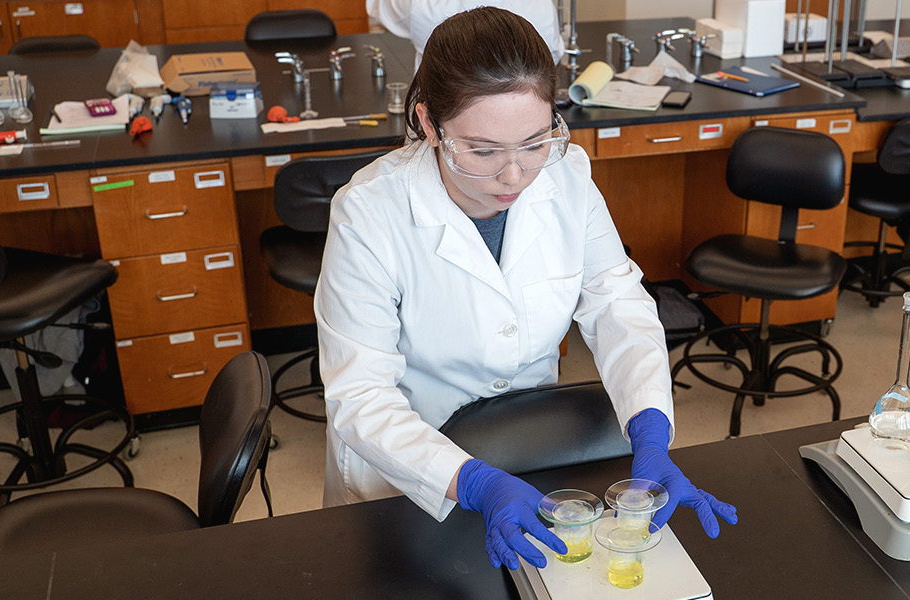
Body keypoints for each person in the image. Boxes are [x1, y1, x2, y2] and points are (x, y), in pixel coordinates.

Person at [315, 7, 736, 571]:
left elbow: (618, 304)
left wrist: (652, 432)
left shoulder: (568, 176)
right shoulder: (368, 213)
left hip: (530, 454)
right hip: (412, 474)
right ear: (428, 122)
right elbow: (360, 395)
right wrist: (475, 483)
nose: (514, 175)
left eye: (535, 143)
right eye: (484, 151)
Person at [367, 0, 565, 66]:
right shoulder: (540, 4)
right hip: (522, 131)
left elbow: (379, 9)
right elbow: (550, 56)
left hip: (439, 132)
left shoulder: (419, 5)